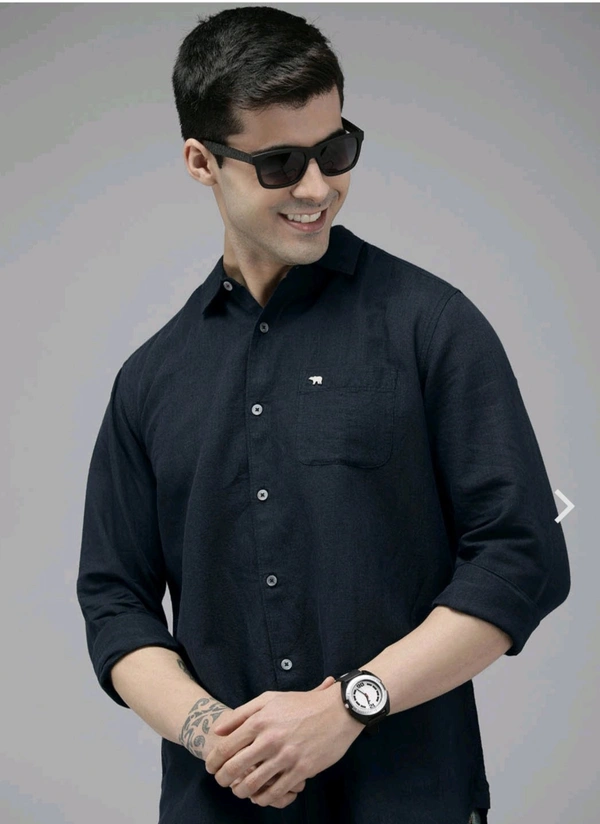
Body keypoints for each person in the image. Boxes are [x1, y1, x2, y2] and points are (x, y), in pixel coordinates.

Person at [76, 6, 571, 824]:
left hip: (411, 802)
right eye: (280, 163)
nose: (317, 187)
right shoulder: (150, 380)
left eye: (335, 151)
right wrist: (218, 740)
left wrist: (348, 704)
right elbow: (114, 600)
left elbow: (521, 558)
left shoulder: (432, 328)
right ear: (201, 161)